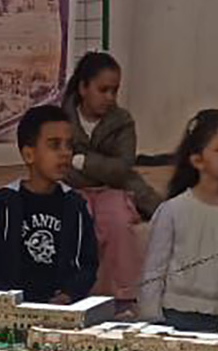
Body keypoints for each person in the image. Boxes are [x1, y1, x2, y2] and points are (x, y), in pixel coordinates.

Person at [139, 109, 218, 331]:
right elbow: (154, 270)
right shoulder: (173, 210)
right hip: (175, 317)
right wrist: (151, 321)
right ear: (198, 160)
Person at [0, 104, 99, 302]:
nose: (65, 153)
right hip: (8, 309)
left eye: (69, 145)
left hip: (58, 310)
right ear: (29, 154)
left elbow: (87, 264)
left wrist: (69, 294)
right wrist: (2, 297)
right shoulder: (3, 203)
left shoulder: (75, 206)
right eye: (54, 145)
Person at [60, 51, 159, 304]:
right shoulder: (61, 118)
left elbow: (122, 167)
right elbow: (61, 166)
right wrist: (97, 168)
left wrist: (82, 161)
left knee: (119, 223)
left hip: (114, 188)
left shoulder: (122, 120)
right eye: (103, 90)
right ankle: (71, 291)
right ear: (83, 87)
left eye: (114, 91)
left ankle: (126, 296)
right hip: (72, 189)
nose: (110, 97)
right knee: (78, 223)